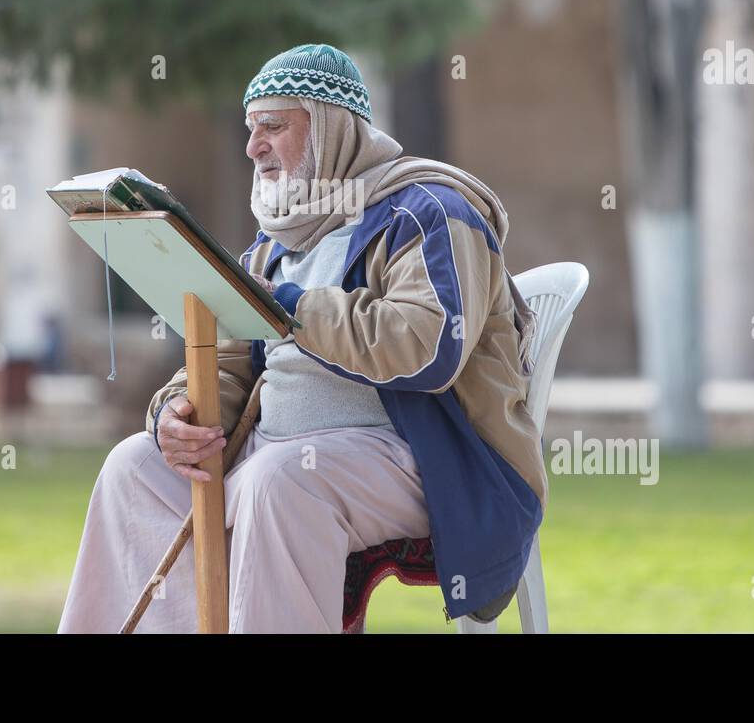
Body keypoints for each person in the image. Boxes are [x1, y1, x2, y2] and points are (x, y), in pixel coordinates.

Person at [58, 44, 545, 633]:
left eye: (273, 126)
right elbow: (234, 357)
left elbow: (428, 345)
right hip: (282, 451)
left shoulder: (429, 211)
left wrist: (291, 307)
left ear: (332, 127)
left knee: (281, 481)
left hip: (428, 457)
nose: (253, 146)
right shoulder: (274, 243)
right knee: (132, 465)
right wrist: (177, 410)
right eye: (249, 128)